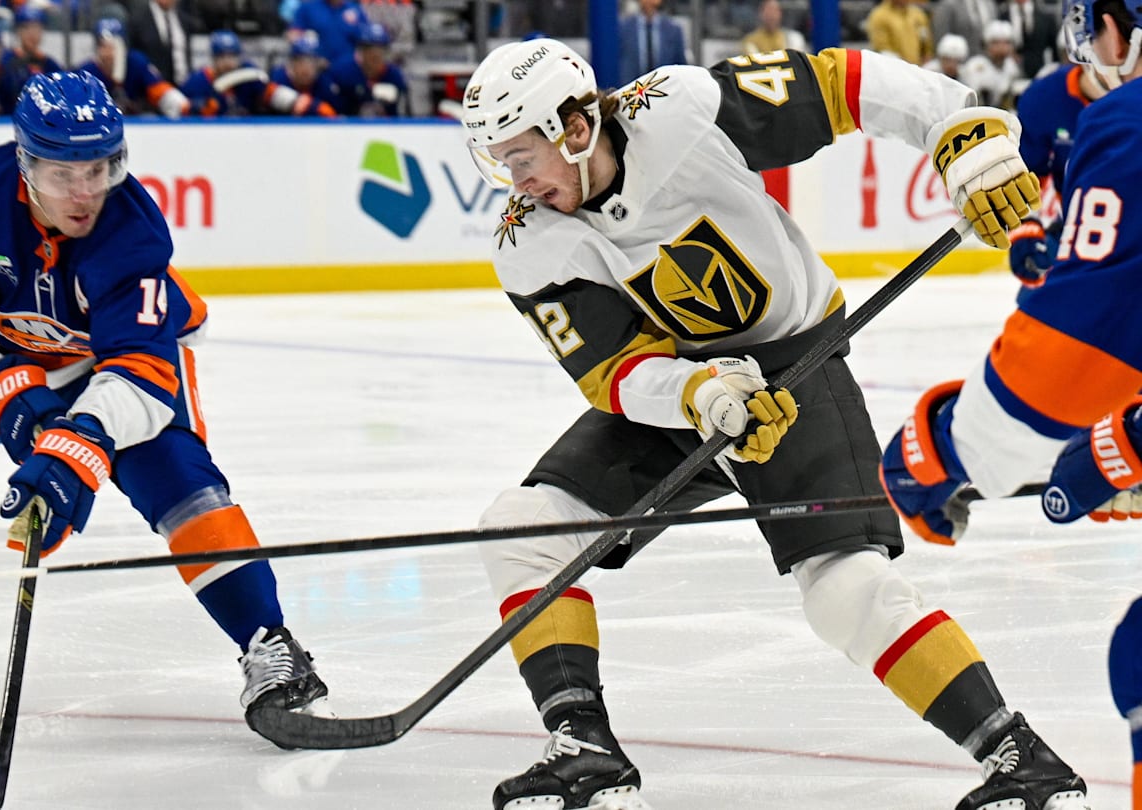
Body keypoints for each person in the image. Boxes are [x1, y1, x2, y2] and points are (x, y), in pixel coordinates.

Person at [459, 37, 1087, 810]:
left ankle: (1022, 759)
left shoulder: (680, 109)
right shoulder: (528, 241)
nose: (514, 182)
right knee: (523, 526)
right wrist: (696, 395)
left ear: (575, 128)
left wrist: (956, 128)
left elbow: (841, 83)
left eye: (522, 156)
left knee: (843, 590)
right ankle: (585, 749)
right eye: (500, 162)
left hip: (797, 368)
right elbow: (612, 371)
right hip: (684, 394)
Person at [0, 71, 332, 738]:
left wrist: (79, 445)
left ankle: (272, 647)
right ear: (25, 162)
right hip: (8, 352)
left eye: (99, 168)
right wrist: (9, 393)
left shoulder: (132, 234)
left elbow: (143, 376)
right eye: (64, 172)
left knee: (176, 481)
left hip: (115, 363)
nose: (85, 190)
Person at [878, 0, 1140, 800]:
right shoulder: (1058, 105)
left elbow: (1073, 354)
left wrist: (951, 447)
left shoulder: (1129, 122)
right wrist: (1126, 439)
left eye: (1094, 24)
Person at [1006, 55, 1108, 286]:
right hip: (1079, 226)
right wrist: (1025, 223)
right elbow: (1027, 169)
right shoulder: (1047, 98)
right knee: (1035, 306)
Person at [181, 29, 331, 117]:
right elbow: (180, 114)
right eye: (222, 57)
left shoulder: (249, 76)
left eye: (232, 56)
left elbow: (276, 95)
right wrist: (196, 110)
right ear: (213, 59)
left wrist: (314, 107)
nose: (228, 62)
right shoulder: (197, 82)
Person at [77, 17, 189, 118]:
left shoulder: (136, 63)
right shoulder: (87, 73)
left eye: (113, 46)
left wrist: (180, 104)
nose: (108, 53)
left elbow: (160, 90)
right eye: (103, 46)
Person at [321, 20, 404, 117]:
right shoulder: (342, 73)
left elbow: (400, 118)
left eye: (380, 49)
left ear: (386, 52)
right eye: (369, 49)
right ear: (361, 51)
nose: (375, 53)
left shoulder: (394, 77)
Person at [0, 5, 62, 103]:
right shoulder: (5, 61)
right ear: (18, 31)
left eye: (36, 28)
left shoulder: (49, 64)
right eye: (26, 28)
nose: (32, 33)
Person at [268, 29, 337, 116]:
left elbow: (336, 118)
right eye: (302, 62)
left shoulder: (324, 83)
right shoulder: (279, 79)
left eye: (313, 62)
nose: (307, 68)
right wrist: (313, 106)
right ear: (292, 63)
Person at [959, 19, 1023, 108]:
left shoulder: (1011, 66)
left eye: (1006, 43)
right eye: (996, 43)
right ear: (987, 45)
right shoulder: (975, 66)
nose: (1002, 47)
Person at [618, 0, 688, 80]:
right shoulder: (623, 28)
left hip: (665, 87)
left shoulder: (674, 30)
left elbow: (681, 66)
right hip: (632, 87)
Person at [288, 0, 365, 66]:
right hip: (318, 70)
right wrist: (313, 59)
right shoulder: (308, 9)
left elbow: (367, 37)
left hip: (350, 68)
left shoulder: (355, 9)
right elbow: (293, 35)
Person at [866, 0, 932, 64]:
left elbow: (925, 38)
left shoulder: (918, 14)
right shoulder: (878, 15)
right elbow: (882, 47)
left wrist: (927, 54)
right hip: (893, 66)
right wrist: (901, 64)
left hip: (918, 65)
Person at [739, 0, 806, 54]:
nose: (771, 15)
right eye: (768, 10)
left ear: (780, 14)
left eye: (774, 10)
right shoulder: (750, 40)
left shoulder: (793, 38)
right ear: (761, 13)